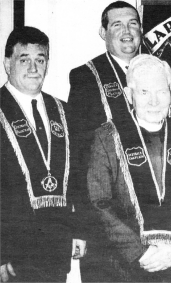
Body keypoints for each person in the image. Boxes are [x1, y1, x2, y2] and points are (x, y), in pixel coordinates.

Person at [87, 54, 171, 282]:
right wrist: (139, 252)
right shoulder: (107, 137)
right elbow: (99, 203)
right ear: (129, 94)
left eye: (161, 91)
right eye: (144, 92)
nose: (154, 101)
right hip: (124, 266)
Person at [0, 26, 86, 282]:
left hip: (55, 248)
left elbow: (79, 178)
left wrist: (79, 230)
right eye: (24, 60)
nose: (33, 68)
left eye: (41, 60)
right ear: (7, 63)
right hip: (11, 249)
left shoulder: (65, 112)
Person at [66, 1, 142, 280]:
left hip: (154, 220)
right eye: (117, 25)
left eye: (133, 23)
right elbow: (77, 155)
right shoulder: (86, 77)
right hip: (107, 218)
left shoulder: (159, 70)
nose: (127, 31)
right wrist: (80, 225)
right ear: (103, 32)